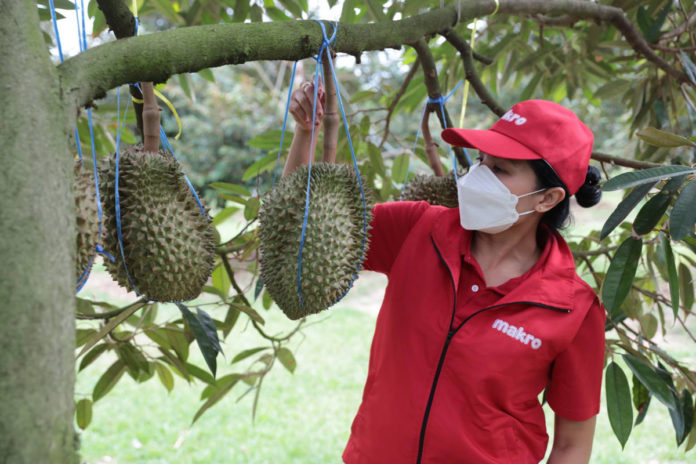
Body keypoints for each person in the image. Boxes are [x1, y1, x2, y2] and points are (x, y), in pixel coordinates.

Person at [283, 81, 605, 464]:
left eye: (499, 169)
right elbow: (298, 231)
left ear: (547, 198)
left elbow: (572, 445)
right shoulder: (417, 228)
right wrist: (306, 134)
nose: (480, 175)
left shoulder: (573, 308)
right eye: (482, 161)